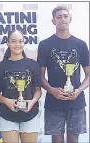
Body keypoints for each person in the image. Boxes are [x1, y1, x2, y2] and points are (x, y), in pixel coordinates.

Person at [37, 6, 89, 143]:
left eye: (65, 16)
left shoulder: (81, 45)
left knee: (73, 139)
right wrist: (51, 90)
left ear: (70, 19)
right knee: (57, 140)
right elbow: (40, 76)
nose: (63, 19)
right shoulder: (44, 45)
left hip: (76, 101)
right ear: (53, 21)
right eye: (59, 17)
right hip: (54, 102)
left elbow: (88, 75)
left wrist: (79, 90)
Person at [0, 30, 42, 143]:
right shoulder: (0, 66)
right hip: (7, 116)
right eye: (13, 41)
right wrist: (6, 101)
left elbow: (38, 90)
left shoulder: (33, 64)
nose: (17, 44)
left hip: (30, 115)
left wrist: (32, 102)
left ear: (24, 43)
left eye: (20, 41)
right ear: (8, 43)